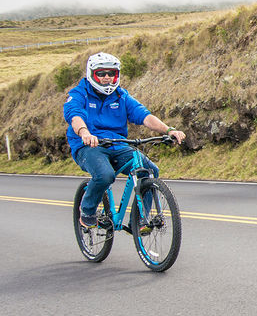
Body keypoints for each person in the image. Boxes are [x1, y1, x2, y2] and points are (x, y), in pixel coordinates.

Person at [63, 52, 185, 230]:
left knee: (149, 170)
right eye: (101, 73)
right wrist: (84, 133)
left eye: (111, 73)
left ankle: (140, 220)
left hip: (118, 144)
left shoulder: (121, 96)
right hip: (88, 146)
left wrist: (169, 130)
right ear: (92, 74)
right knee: (105, 176)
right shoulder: (79, 94)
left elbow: (144, 115)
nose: (107, 77)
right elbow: (75, 116)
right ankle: (87, 210)